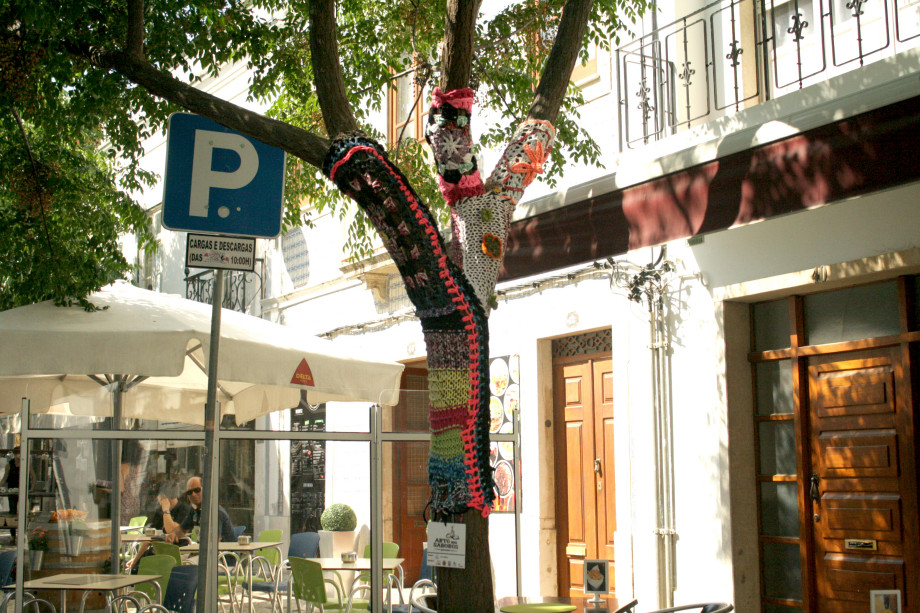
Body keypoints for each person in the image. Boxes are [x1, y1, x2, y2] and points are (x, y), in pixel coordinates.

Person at [125, 481, 191, 572]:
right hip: (157, 552)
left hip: (175, 553)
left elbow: (171, 530)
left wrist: (166, 510)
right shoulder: (159, 512)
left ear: (163, 497)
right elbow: (148, 539)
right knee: (135, 570)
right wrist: (136, 560)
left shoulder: (184, 510)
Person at [165, 476, 235, 545]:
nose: (193, 494)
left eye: (197, 490)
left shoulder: (215, 512)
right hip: (202, 551)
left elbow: (214, 542)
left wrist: (196, 553)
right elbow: (182, 529)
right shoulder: (195, 510)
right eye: (189, 492)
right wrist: (174, 534)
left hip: (223, 554)